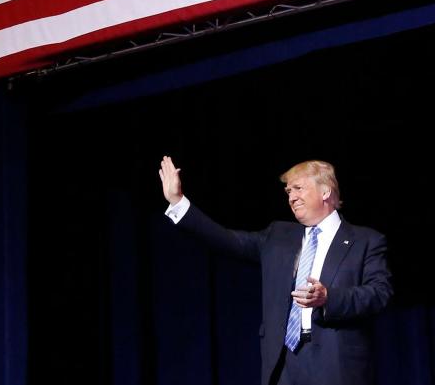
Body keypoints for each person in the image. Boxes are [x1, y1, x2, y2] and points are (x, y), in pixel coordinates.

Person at [159, 156, 392, 385]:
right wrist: (178, 202)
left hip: (337, 363)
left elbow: (379, 294)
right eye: (288, 191)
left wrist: (328, 298)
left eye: (298, 188)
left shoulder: (365, 240)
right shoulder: (278, 235)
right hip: (283, 365)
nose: (292, 197)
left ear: (325, 192)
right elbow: (227, 240)